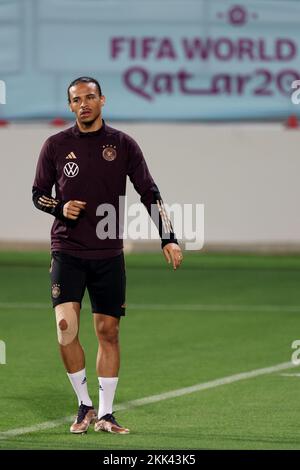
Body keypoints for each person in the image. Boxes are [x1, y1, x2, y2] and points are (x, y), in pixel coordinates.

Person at [32, 76, 183, 435]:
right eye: (76, 99)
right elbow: (38, 193)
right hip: (67, 251)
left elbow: (149, 191)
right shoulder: (55, 145)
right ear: (70, 106)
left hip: (108, 253)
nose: (83, 103)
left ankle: (105, 413)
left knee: (108, 331)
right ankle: (84, 404)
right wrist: (60, 207)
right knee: (65, 329)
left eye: (90, 97)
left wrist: (168, 238)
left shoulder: (123, 144)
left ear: (102, 100)